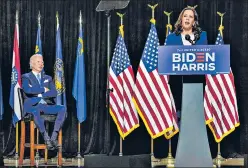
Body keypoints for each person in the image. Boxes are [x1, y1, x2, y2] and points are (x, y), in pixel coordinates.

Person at [165, 6, 208, 110]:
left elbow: (206, 57)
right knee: (178, 110)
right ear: (181, 20)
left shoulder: (202, 36)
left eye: (190, 17)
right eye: (185, 16)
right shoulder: (171, 37)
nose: (187, 19)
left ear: (194, 21)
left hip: (197, 81)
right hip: (177, 81)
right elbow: (167, 59)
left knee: (195, 110)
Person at [22, 54, 66, 150]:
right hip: (32, 106)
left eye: (42, 62)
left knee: (62, 108)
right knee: (36, 109)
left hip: (45, 105)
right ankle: (46, 138)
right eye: (38, 62)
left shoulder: (48, 78)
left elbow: (54, 93)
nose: (41, 64)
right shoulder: (26, 77)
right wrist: (43, 89)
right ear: (32, 63)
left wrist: (39, 94)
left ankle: (53, 137)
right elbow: (27, 90)